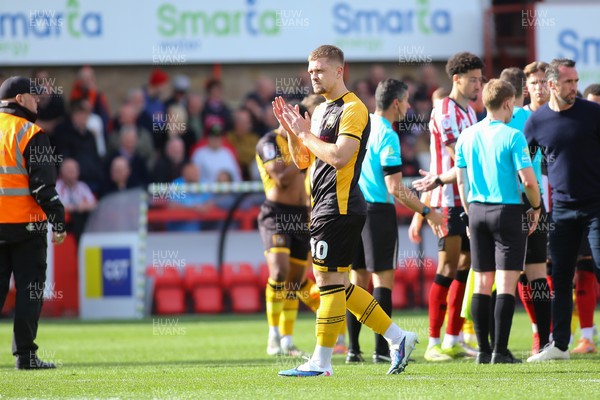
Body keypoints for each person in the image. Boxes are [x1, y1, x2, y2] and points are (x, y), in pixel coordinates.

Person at [274, 45, 418, 377]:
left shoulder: (354, 109)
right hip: (323, 206)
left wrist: (305, 134)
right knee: (338, 284)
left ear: (340, 71)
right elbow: (304, 162)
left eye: (320, 70)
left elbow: (340, 156)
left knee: (328, 283)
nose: (313, 75)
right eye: (310, 70)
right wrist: (297, 136)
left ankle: (321, 362)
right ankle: (399, 337)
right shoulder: (322, 109)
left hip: (339, 207)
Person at [345, 79, 445, 365]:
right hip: (377, 213)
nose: (410, 107)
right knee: (382, 281)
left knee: (356, 280)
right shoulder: (387, 135)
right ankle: (381, 349)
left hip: (353, 210)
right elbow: (395, 188)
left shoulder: (362, 125)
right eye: (407, 100)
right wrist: (427, 211)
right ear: (397, 103)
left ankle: (354, 350)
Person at [456, 78, 541, 364]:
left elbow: (461, 181)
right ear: (507, 103)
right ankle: (499, 351)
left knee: (481, 281)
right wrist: (537, 206)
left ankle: (482, 350)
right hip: (507, 211)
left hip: (477, 211)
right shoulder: (512, 136)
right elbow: (528, 181)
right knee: (505, 284)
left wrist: (469, 213)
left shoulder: (466, 135)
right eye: (513, 106)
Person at [410, 52, 484, 361]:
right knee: (447, 266)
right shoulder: (446, 109)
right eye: (473, 80)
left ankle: (452, 338)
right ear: (456, 79)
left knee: (465, 266)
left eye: (480, 80)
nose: (478, 85)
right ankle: (432, 344)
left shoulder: (468, 112)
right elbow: (461, 159)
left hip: (465, 199)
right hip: (447, 201)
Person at [526, 59, 600, 362]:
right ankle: (558, 345)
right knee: (560, 276)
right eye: (569, 82)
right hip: (562, 212)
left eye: (576, 81)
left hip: (597, 207)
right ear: (552, 85)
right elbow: (522, 162)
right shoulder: (536, 122)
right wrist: (529, 202)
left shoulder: (593, 113)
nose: (575, 87)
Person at [0, 76, 67, 369]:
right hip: (27, 228)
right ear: (19, 100)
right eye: (33, 96)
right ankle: (25, 356)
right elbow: (42, 186)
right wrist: (58, 220)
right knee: (30, 292)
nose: (38, 100)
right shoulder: (30, 133)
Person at [256, 117, 320, 357]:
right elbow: (281, 178)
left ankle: (287, 340)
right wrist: (303, 155)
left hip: (301, 215)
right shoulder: (269, 142)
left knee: (295, 279)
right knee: (279, 271)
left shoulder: (304, 142)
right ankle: (272, 335)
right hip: (276, 214)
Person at [499, 67, 551, 354]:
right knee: (537, 273)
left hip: (500, 203)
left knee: (501, 276)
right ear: (523, 89)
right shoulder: (536, 120)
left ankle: (493, 347)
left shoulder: (490, 121)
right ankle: (544, 340)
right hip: (533, 201)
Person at [56, 158, 97, 244]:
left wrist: (84, 207)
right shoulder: (56, 187)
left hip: (81, 220)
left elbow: (94, 204)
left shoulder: (83, 187)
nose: (72, 172)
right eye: (68, 170)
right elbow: (55, 206)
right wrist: (74, 208)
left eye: (74, 169)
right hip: (64, 223)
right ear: (61, 172)